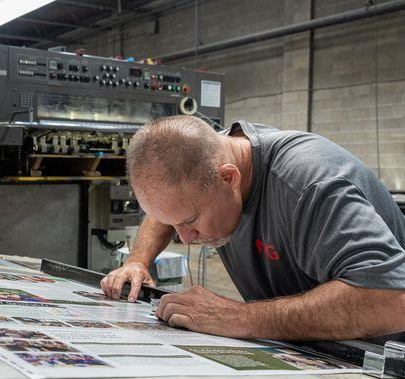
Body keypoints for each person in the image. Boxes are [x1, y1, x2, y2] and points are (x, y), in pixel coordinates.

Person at [100, 116, 405, 340]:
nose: (185, 238)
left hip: (379, 362)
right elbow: (171, 209)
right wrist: (138, 260)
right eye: (174, 224)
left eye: (191, 221)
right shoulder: (210, 157)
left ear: (228, 178)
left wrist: (239, 317)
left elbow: (392, 299)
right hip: (313, 350)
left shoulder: (308, 184)